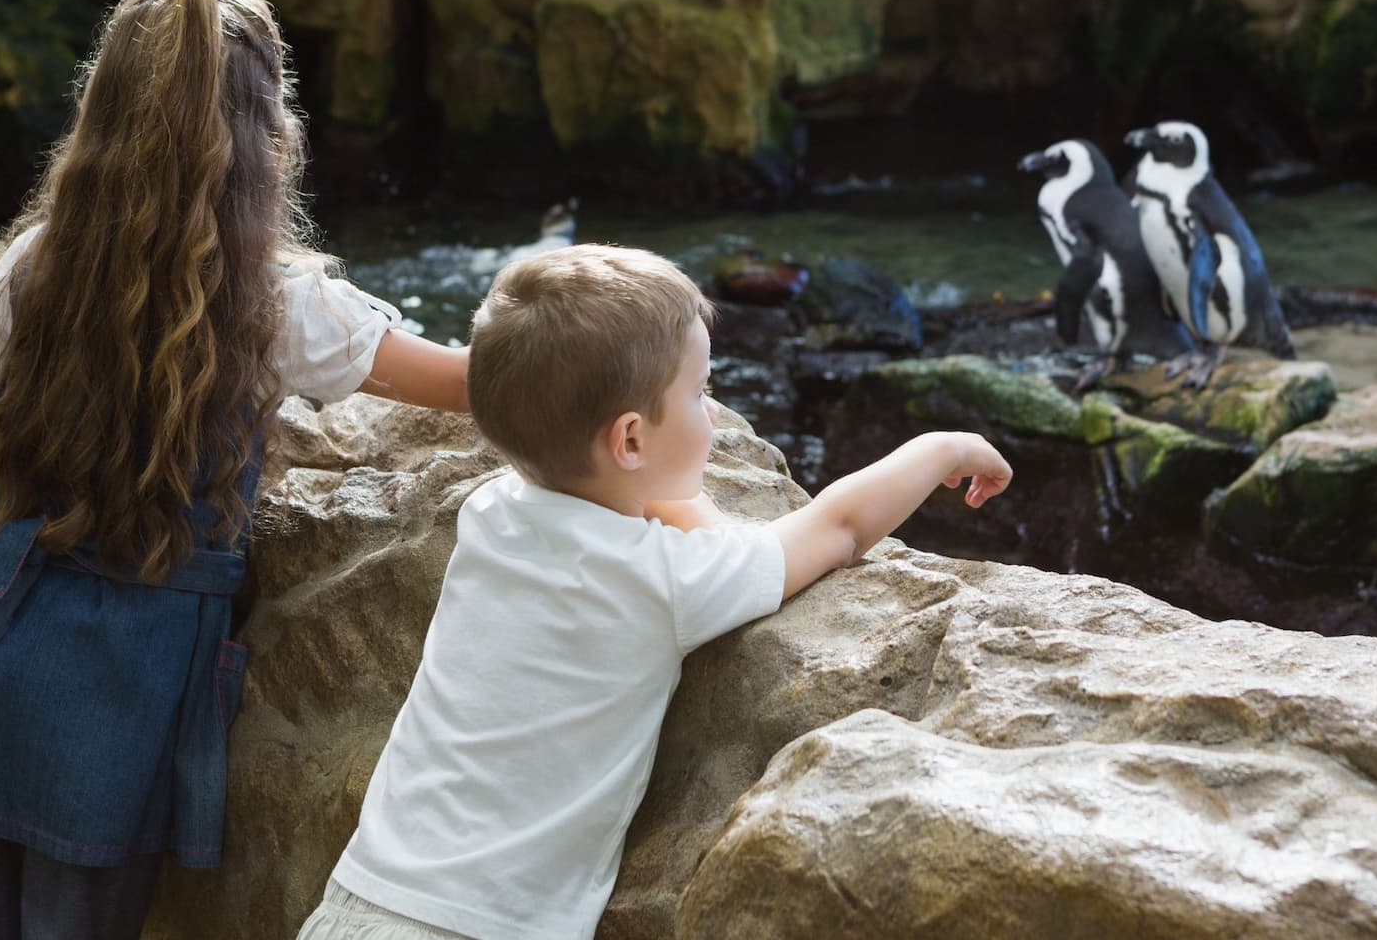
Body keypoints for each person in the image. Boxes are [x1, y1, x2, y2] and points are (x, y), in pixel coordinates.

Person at [0, 0, 470, 939]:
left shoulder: (35, 265)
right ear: (270, 135)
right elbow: (473, 382)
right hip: (122, 682)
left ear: (100, 115)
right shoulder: (282, 302)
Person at [300, 245, 1013, 940]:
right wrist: (942, 448)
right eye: (701, 393)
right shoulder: (668, 580)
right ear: (631, 441)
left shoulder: (492, 513)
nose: (711, 413)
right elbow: (842, 527)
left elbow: (649, 506)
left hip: (360, 895)